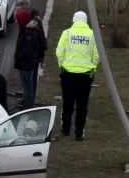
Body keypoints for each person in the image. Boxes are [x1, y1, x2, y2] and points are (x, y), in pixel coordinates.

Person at [55, 9, 100, 139]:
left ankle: (65, 129)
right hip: (85, 76)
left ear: (73, 21)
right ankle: (79, 133)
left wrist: (62, 66)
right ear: (86, 21)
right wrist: (92, 68)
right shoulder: (92, 35)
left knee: (67, 103)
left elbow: (59, 52)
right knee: (82, 104)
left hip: (68, 74)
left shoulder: (67, 33)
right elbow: (96, 56)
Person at [13, 9, 47, 107]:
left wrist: (18, 56)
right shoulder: (29, 29)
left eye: (18, 20)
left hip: (27, 63)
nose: (17, 22)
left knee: (27, 85)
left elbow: (27, 50)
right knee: (29, 83)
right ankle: (28, 101)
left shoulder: (29, 32)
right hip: (29, 62)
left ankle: (28, 105)